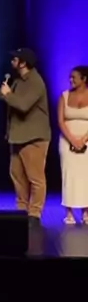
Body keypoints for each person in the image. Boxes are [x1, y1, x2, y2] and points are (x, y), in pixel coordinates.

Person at [0, 47, 51, 226]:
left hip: (33, 138)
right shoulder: (18, 80)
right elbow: (7, 96)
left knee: (35, 177)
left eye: (15, 59)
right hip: (17, 136)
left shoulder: (35, 82)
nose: (12, 61)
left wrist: (8, 94)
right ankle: (22, 210)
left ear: (23, 63)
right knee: (17, 175)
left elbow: (23, 105)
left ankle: (35, 213)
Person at [58, 66, 88, 225]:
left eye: (74, 77)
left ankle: (86, 212)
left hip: (86, 141)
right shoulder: (64, 96)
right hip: (67, 142)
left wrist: (83, 140)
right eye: (70, 77)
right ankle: (69, 212)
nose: (71, 80)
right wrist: (72, 140)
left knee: (86, 175)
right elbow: (60, 121)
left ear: (84, 79)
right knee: (68, 175)